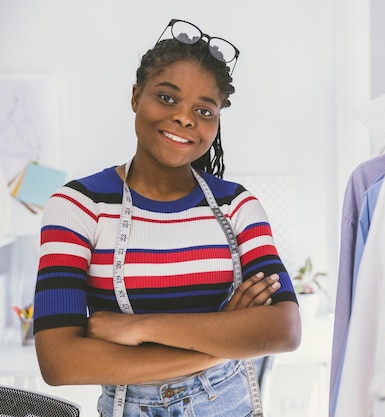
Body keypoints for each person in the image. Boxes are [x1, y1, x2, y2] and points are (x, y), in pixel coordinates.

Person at [33, 18, 301, 416]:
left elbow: (284, 330)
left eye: (203, 110)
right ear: (136, 96)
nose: (185, 118)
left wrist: (139, 328)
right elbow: (59, 361)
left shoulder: (238, 207)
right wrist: (223, 338)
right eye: (168, 97)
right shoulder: (78, 205)